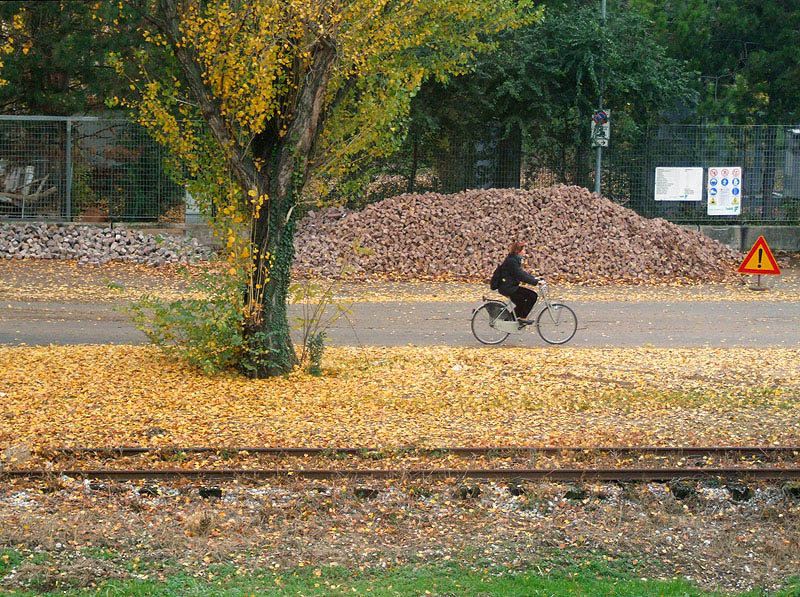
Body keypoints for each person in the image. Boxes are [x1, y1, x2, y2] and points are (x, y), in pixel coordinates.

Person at [494, 241, 540, 325]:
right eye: (524, 250)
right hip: (508, 287)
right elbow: (520, 275)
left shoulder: (514, 259)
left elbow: (522, 273)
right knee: (533, 296)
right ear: (519, 251)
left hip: (508, 286)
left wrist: (535, 279)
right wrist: (535, 282)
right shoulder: (512, 261)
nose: (525, 252)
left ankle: (509, 321)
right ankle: (522, 318)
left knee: (521, 302)